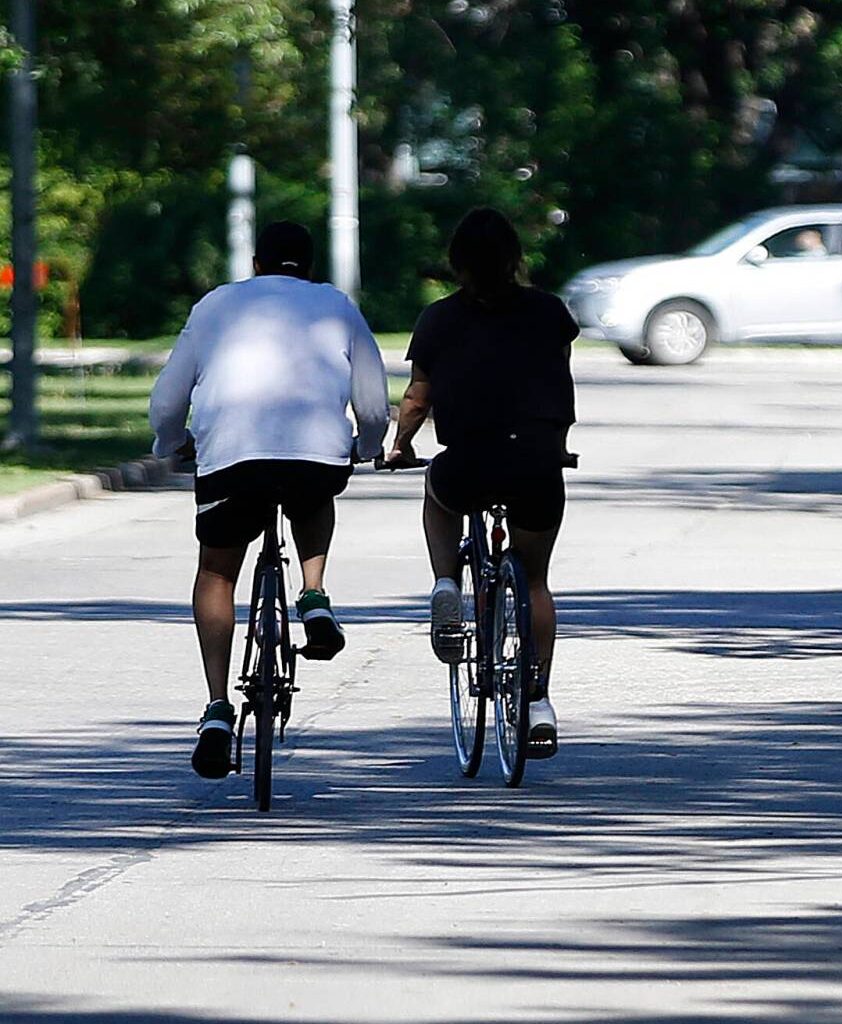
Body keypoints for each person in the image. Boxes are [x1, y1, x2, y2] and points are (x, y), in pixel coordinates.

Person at [149, 220, 390, 779]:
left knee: (216, 573)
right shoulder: (335, 305)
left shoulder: (215, 305)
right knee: (314, 488)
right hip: (315, 456)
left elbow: (168, 398)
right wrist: (366, 446)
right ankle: (313, 594)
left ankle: (216, 709)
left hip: (232, 455)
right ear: (308, 267)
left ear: (256, 263)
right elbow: (374, 402)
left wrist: (169, 442)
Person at [385, 207, 577, 759]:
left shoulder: (438, 319)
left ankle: (446, 583)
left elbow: (419, 396)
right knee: (535, 580)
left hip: (468, 461)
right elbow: (555, 375)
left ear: (456, 263)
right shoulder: (550, 312)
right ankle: (538, 701)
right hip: (537, 464)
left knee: (438, 496)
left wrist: (399, 447)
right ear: (516, 257)